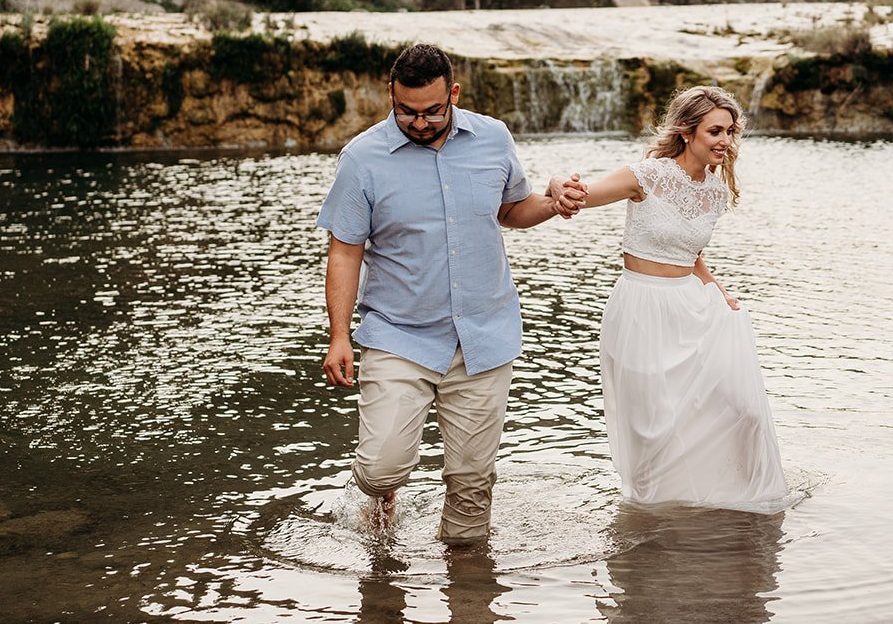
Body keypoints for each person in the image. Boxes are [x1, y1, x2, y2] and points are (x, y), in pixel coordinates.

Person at [317, 43, 582, 544]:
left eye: (432, 111)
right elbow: (346, 251)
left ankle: (470, 589)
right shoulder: (361, 159)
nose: (418, 122)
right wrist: (339, 335)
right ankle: (382, 498)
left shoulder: (493, 137)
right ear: (390, 95)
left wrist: (553, 203)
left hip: (484, 335)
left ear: (453, 94)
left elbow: (511, 210)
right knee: (379, 468)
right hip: (399, 335)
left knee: (471, 485)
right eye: (405, 111)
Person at [567, 85, 789, 510]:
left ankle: (726, 498)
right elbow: (583, 196)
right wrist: (563, 187)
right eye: (715, 131)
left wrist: (721, 296)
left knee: (744, 410)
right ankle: (653, 515)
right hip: (641, 309)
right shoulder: (646, 175)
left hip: (693, 306)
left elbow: (693, 254)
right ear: (687, 132)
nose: (725, 141)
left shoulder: (716, 190)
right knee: (654, 427)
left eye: (730, 131)